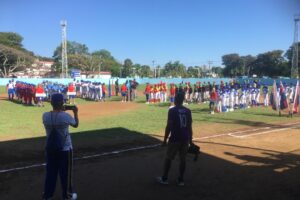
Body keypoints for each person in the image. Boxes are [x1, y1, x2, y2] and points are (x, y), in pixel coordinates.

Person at [42, 93, 79, 200]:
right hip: (65, 149)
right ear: (61, 103)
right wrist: (75, 112)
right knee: (66, 174)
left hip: (50, 149)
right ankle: (67, 195)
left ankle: (48, 195)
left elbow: (54, 117)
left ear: (51, 103)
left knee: (50, 173)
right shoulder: (65, 116)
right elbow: (76, 124)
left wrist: (60, 110)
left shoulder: (45, 116)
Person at [156, 92, 193, 186]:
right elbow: (189, 126)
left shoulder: (172, 110)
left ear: (176, 100)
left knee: (168, 158)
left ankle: (164, 178)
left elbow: (169, 126)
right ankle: (181, 180)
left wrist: (164, 140)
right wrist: (191, 140)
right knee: (183, 159)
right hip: (185, 138)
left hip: (175, 138)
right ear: (183, 100)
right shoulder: (188, 111)